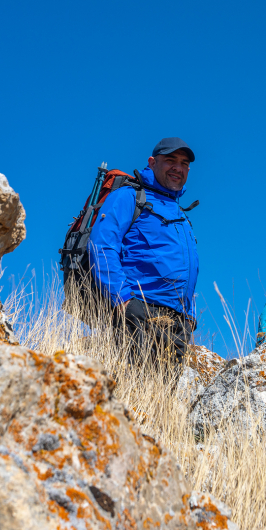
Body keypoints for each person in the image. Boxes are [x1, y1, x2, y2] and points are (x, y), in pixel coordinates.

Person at [88, 137, 199, 364]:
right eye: (170, 160)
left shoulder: (180, 214)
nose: (178, 168)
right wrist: (123, 300)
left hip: (177, 324)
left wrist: (189, 318)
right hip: (139, 311)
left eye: (184, 163)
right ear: (152, 162)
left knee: (162, 397)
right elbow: (101, 245)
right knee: (133, 391)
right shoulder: (129, 197)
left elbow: (188, 269)